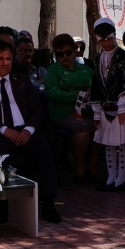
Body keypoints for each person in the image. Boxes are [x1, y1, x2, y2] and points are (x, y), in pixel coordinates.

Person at [0, 37, 61, 224]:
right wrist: (4, 129)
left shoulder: (22, 80)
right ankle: (1, 205)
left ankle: (49, 203)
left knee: (45, 152)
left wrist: (29, 129)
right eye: (0, 59)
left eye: (8, 59)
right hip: (0, 131)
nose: (5, 63)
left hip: (25, 129)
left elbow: (37, 109)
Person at [88, 18, 125, 191]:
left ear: (114, 36)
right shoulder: (97, 59)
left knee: (122, 144)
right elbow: (95, 85)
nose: (106, 43)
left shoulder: (123, 57)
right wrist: (96, 111)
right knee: (108, 144)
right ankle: (110, 177)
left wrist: (122, 105)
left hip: (121, 108)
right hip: (104, 108)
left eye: (109, 39)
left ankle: (121, 179)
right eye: (102, 40)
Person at [43, 35, 96, 182]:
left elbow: (96, 88)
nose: (65, 56)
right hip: (63, 114)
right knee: (82, 130)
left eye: (68, 52)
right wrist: (77, 95)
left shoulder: (86, 70)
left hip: (87, 111)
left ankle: (93, 167)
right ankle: (79, 170)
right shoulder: (53, 71)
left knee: (103, 127)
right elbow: (52, 94)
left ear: (74, 51)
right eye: (60, 54)